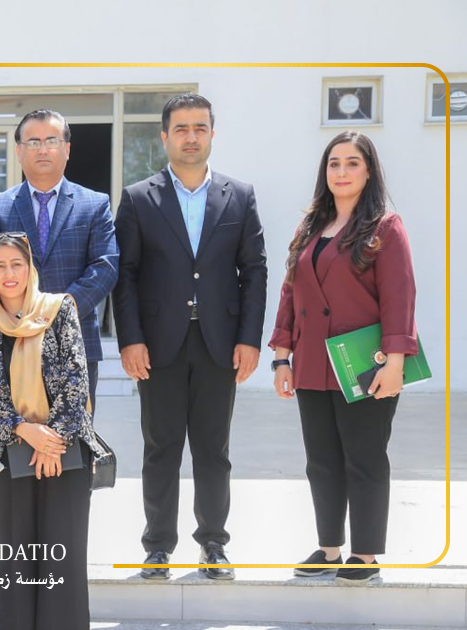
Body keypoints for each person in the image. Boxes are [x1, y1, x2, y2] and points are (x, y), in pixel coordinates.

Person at [111, 93, 267, 580]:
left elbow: (255, 271)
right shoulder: (139, 198)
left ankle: (213, 544)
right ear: (165, 136)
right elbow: (125, 274)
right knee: (160, 449)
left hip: (220, 342)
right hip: (158, 345)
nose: (191, 137)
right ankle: (157, 546)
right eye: (181, 128)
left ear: (212, 134)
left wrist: (250, 339)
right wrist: (130, 339)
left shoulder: (239, 195)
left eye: (200, 128)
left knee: (213, 450)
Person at [269, 131, 417, 585]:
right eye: (334, 163)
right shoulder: (309, 227)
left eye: (352, 163)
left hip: (365, 363)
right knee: (321, 460)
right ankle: (329, 548)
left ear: (369, 171)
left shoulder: (385, 227)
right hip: (313, 362)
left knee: (364, 458)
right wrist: (281, 358)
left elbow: (400, 296)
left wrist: (396, 362)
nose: (342, 172)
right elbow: (291, 293)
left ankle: (365, 555)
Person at [0, 233, 105, 630]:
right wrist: (24, 430)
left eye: (17, 264)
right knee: (17, 561)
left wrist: (52, 442)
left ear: (30, 267)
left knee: (63, 558)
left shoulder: (59, 310)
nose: (9, 273)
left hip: (66, 454)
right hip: (13, 455)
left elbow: (77, 379)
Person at [0, 109, 118, 407]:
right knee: (17, 430)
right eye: (33, 142)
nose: (42, 149)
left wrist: (57, 312)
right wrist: (23, 315)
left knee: (73, 433)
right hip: (14, 338)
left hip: (75, 340)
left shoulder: (94, 204)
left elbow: (105, 267)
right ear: (18, 151)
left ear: (67, 149)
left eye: (51, 141)